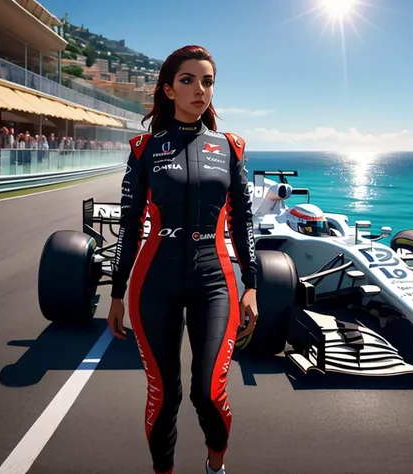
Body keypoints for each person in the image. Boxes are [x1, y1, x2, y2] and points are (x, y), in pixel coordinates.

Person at [107, 45, 259, 474]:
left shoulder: (230, 147)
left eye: (207, 81)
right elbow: (130, 226)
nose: (200, 90)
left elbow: (245, 220)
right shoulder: (143, 148)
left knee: (209, 392)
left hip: (215, 281)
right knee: (163, 395)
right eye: (188, 80)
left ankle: (215, 466)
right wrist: (116, 295)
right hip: (153, 283)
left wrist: (252, 286)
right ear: (169, 89)